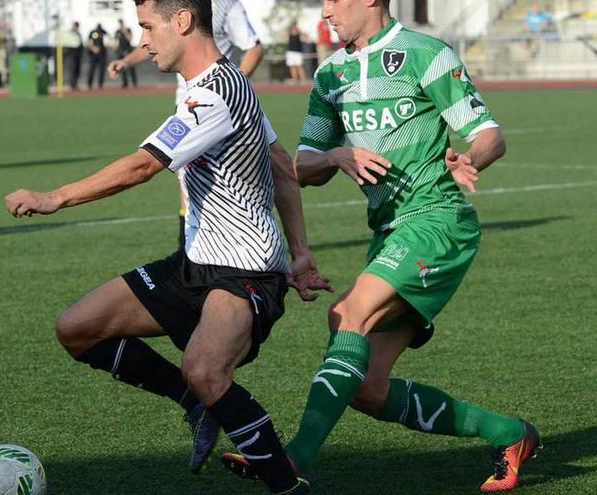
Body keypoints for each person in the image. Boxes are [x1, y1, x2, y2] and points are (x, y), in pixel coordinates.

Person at [4, 1, 329, 493]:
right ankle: (192, 400)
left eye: (148, 27)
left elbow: (143, 166)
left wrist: (54, 198)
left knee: (205, 368)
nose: (143, 41)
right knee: (77, 330)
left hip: (245, 273)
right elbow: (280, 164)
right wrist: (302, 252)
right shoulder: (209, 87)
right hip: (194, 264)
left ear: (181, 22)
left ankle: (287, 486)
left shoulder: (217, 93)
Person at [221, 1, 540, 493]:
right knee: (367, 390)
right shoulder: (330, 75)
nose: (325, 10)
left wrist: (467, 159)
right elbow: (300, 169)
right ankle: (508, 434)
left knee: (347, 313)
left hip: (437, 220)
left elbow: (490, 136)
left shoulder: (425, 53)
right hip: (389, 233)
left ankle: (293, 460)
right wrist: (335, 153)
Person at [109, 0, 271, 249]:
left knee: (218, 176)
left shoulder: (226, 5)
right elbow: (156, 37)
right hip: (188, 103)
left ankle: (230, 244)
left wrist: (233, 89)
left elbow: (254, 48)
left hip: (218, 104)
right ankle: (189, 243)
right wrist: (126, 61)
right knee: (185, 174)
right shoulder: (169, 6)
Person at [114, 19, 137, 88]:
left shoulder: (127, 30)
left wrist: (125, 31)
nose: (121, 25)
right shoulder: (117, 31)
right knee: (121, 68)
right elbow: (116, 41)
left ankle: (134, 83)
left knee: (131, 67)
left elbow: (130, 39)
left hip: (128, 51)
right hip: (121, 51)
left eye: (121, 23)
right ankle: (125, 83)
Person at [86, 23, 108, 89]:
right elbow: (88, 42)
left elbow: (108, 40)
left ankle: (100, 84)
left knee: (101, 70)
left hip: (102, 53)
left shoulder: (104, 32)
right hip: (93, 54)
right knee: (92, 69)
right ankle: (89, 84)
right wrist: (93, 48)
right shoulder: (92, 32)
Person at [67, 21, 84, 90]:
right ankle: (72, 84)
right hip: (72, 55)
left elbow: (80, 44)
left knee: (77, 70)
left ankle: (75, 83)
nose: (76, 27)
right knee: (73, 70)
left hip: (78, 55)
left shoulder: (78, 34)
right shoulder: (70, 34)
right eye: (75, 26)